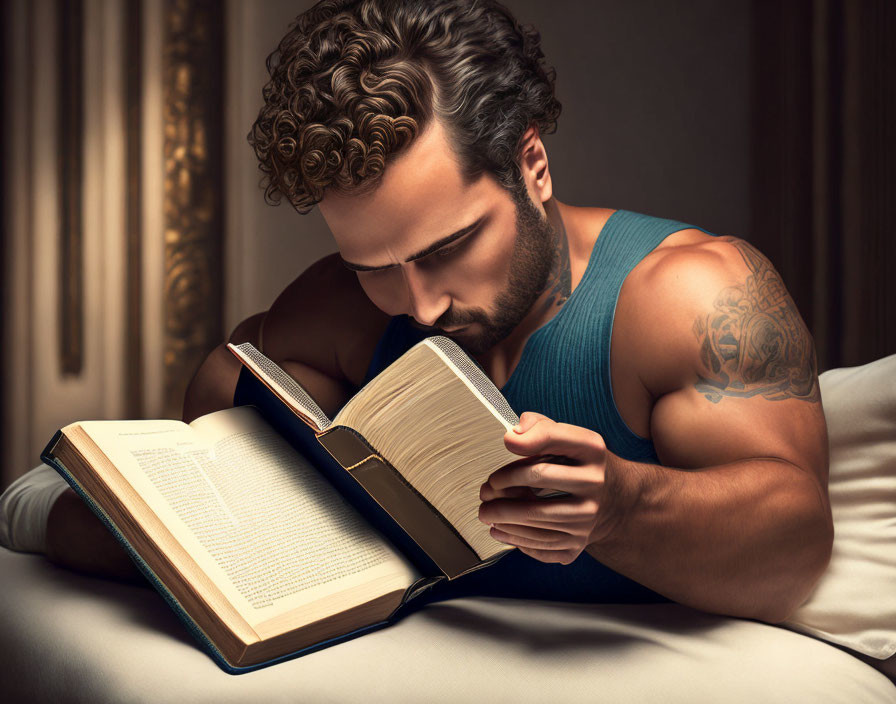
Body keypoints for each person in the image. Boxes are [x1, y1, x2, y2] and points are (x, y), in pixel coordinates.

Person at [4, 0, 832, 623]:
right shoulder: (342, 306)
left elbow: (795, 544)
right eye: (377, 267)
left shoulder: (689, 292)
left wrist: (621, 506)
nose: (422, 304)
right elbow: (228, 377)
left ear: (531, 163)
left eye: (446, 248)